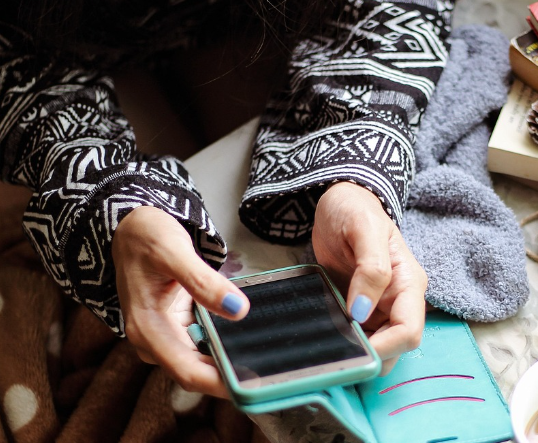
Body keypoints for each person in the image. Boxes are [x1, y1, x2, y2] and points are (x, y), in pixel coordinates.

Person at [0, 0, 451, 397]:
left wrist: (353, 172)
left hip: (259, 17)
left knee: (228, 219)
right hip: (47, 34)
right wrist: (112, 206)